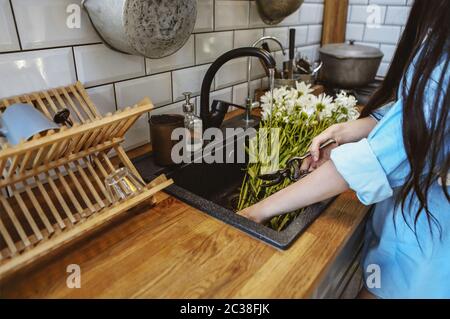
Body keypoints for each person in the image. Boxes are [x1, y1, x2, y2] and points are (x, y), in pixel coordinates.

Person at [238, 0, 449, 299]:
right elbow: (413, 112)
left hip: (426, 260)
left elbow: (374, 160)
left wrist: (257, 211)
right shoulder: (439, 39)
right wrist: (350, 129)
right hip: (414, 240)